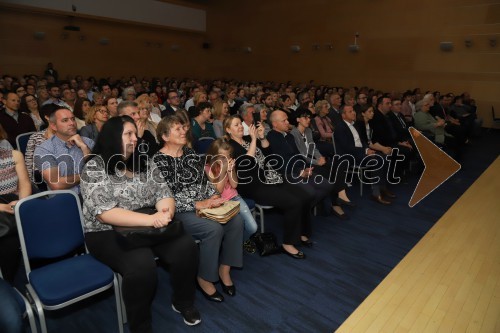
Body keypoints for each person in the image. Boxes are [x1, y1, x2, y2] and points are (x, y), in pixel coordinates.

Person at [81, 116, 200, 331]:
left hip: (148, 224)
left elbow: (164, 192)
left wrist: (165, 211)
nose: (135, 138)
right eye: (129, 134)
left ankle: (183, 302)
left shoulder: (144, 159)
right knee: (142, 265)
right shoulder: (94, 166)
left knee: (186, 247)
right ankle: (141, 325)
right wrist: (152, 219)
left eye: (135, 133)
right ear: (112, 137)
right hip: (106, 231)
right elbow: (104, 213)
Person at [153, 115, 244, 302]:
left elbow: (203, 182)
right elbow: (164, 196)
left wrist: (212, 195)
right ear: (164, 136)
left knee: (236, 219)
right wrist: (197, 204)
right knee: (213, 229)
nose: (184, 131)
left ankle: (224, 270)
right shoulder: (158, 161)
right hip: (178, 211)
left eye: (183, 128)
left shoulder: (190, 154)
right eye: (177, 129)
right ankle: (204, 277)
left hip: (204, 203)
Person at [225, 115, 314, 259]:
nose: (240, 126)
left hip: (270, 177)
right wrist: (254, 140)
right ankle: (288, 243)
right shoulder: (230, 147)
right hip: (253, 185)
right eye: (236, 125)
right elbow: (248, 162)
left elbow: (268, 153)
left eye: (240, 124)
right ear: (228, 130)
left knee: (305, 196)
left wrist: (261, 137)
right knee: (293, 202)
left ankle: (302, 233)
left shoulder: (249, 139)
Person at [204, 138, 258, 244]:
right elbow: (218, 191)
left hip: (234, 197)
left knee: (253, 227)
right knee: (232, 227)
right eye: (223, 157)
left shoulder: (230, 163)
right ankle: (234, 244)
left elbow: (234, 184)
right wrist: (224, 170)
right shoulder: (208, 168)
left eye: (228, 156)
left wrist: (231, 170)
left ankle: (241, 242)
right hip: (219, 201)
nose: (227, 159)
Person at [34, 107, 94, 194]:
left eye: (73, 119)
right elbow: (56, 184)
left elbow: (100, 171)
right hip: (65, 199)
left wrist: (84, 147)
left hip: (92, 194)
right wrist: (87, 175)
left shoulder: (87, 142)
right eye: (65, 120)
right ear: (54, 126)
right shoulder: (44, 149)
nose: (72, 123)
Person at [0, 124, 32, 284]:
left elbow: (25, 184)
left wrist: (20, 203)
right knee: (9, 242)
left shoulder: (14, 155)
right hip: (2, 210)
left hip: (16, 202)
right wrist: (3, 207)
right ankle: (8, 283)